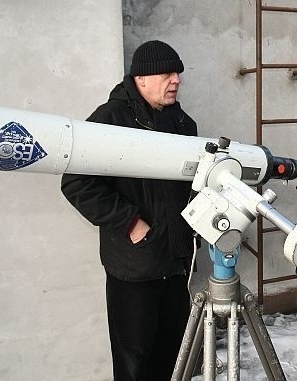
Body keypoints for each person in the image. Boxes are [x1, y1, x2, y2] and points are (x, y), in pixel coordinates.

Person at [61, 40, 197, 380]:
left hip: (176, 264)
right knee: (134, 364)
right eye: (167, 73)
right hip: (133, 270)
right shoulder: (109, 119)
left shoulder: (182, 123)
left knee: (175, 358)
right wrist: (131, 223)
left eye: (177, 73)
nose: (176, 80)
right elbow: (76, 182)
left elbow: (193, 184)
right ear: (141, 79)